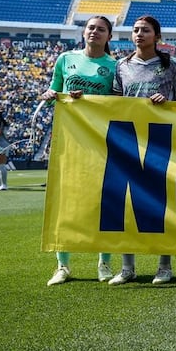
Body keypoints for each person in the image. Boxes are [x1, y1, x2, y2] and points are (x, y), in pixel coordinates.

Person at [108, 16, 176, 286]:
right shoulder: (122, 65)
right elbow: (112, 104)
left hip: (160, 142)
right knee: (126, 204)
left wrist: (167, 103)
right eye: (135, 30)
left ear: (157, 36)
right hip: (128, 142)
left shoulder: (171, 65)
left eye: (145, 30)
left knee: (161, 205)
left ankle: (164, 265)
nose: (139, 34)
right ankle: (127, 266)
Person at [42, 16, 119, 284]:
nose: (94, 32)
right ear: (83, 32)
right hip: (69, 139)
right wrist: (52, 96)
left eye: (101, 29)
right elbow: (52, 93)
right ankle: (63, 266)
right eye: (91, 28)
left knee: (105, 202)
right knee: (66, 201)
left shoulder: (115, 66)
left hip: (101, 142)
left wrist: (90, 100)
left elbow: (118, 105)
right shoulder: (65, 59)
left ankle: (104, 263)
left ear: (109, 35)